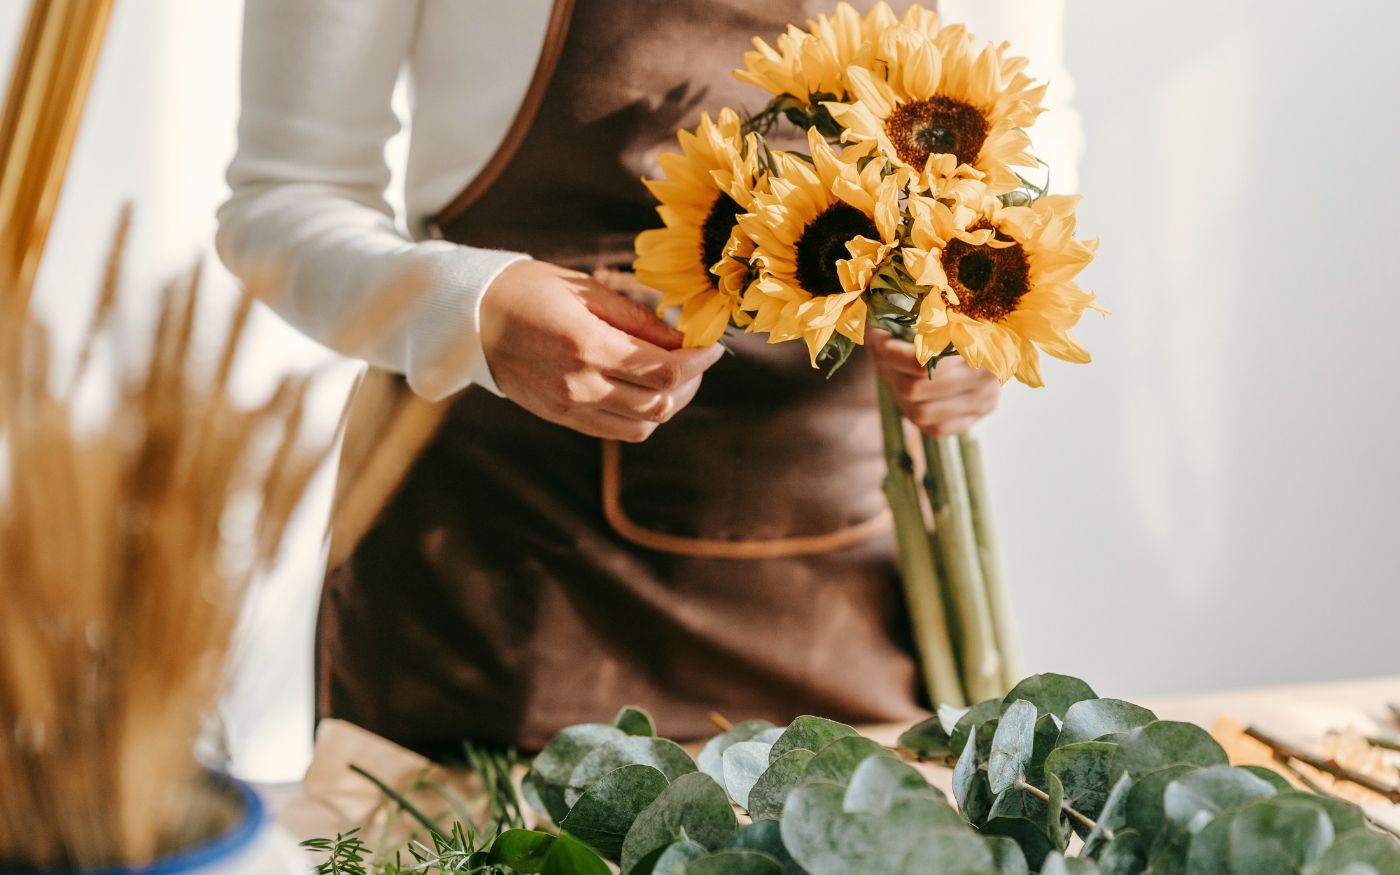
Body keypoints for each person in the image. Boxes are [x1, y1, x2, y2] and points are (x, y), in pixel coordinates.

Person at [218, 0, 1079, 754]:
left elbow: (1030, 120)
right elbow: (282, 198)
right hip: (504, 576)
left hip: (850, 587)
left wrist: (977, 307)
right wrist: (469, 310)